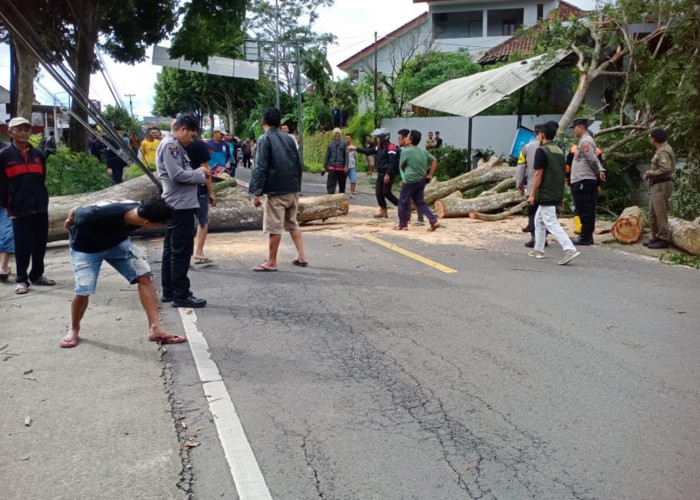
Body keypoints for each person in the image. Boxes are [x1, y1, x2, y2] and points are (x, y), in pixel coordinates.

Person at [58, 198, 186, 348]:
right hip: (87, 249)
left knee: (144, 275)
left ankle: (155, 328)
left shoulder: (139, 207)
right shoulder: (94, 215)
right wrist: (69, 221)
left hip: (116, 244)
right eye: (157, 225)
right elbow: (76, 209)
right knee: (84, 288)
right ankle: (74, 329)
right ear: (147, 223)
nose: (158, 227)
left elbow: (116, 200)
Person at [156, 114, 211, 308]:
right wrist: (200, 173)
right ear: (182, 129)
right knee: (180, 251)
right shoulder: (171, 146)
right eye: (192, 135)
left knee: (171, 249)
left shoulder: (175, 146)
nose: (192, 140)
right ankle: (181, 294)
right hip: (180, 205)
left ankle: (170, 290)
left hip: (178, 203)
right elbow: (177, 175)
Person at [0, 117, 56, 294]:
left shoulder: (38, 155)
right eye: (19, 129)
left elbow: (41, 179)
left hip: (40, 206)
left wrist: (41, 200)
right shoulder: (4, 156)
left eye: (27, 129)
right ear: (11, 132)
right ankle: (21, 279)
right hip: (18, 208)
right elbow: (1, 184)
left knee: (40, 244)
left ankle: (37, 275)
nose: (24, 132)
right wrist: (9, 205)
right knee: (22, 245)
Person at [248, 107, 307, 272]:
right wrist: (297, 185)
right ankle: (301, 256)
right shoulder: (289, 139)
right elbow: (298, 165)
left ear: (263, 122)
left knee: (275, 226)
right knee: (292, 223)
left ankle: (272, 262)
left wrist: (257, 193)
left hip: (277, 191)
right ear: (280, 123)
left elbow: (260, 167)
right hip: (293, 189)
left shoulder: (264, 139)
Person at [527, 121, 580, 265]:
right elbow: (561, 173)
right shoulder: (558, 150)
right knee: (539, 220)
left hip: (546, 192)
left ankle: (569, 249)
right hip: (555, 191)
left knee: (550, 222)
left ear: (542, 135)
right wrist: (561, 194)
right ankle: (539, 249)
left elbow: (538, 174)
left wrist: (532, 194)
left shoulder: (541, 150)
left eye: (538, 135)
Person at [569, 118, 605, 245]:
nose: (573, 130)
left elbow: (593, 159)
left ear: (581, 127)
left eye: (574, 127)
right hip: (581, 179)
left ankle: (586, 237)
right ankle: (586, 236)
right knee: (583, 207)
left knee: (585, 209)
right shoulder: (583, 141)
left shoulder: (586, 141)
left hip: (584, 180)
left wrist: (598, 171)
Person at [396, 130, 440, 231]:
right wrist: (430, 174)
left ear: (410, 140)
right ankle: (433, 221)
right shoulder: (423, 151)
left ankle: (403, 225)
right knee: (420, 202)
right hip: (421, 181)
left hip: (410, 181)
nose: (406, 138)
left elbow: (402, 167)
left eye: (407, 137)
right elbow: (434, 160)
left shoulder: (405, 151)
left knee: (402, 201)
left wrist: (406, 174)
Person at [352, 128, 400, 219]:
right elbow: (369, 151)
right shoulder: (380, 147)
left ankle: (401, 205)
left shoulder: (391, 147)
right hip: (381, 173)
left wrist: (388, 174)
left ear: (383, 138)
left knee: (386, 192)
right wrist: (356, 149)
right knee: (378, 192)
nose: (377, 139)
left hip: (388, 174)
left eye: (378, 137)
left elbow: (392, 162)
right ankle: (383, 211)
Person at [185, 137, 216, 265]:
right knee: (203, 220)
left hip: (183, 189)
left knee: (185, 222)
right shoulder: (199, 144)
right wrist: (211, 192)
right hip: (199, 188)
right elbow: (206, 171)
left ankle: (185, 254)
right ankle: (199, 251)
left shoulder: (175, 144)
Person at [643, 128, 675, 249]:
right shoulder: (661, 150)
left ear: (655, 139)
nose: (650, 139)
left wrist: (651, 173)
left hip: (662, 185)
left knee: (660, 213)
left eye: (651, 137)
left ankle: (663, 239)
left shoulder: (663, 152)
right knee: (653, 213)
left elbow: (666, 168)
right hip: (657, 185)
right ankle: (656, 237)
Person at [516, 124, 544, 247]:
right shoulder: (553, 147)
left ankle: (534, 238)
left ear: (535, 133)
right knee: (545, 214)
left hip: (532, 186)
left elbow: (521, 167)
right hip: (548, 188)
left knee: (533, 212)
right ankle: (544, 238)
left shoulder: (526, 147)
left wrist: (520, 184)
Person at [324, 128, 349, 194]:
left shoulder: (344, 144)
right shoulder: (330, 144)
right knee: (330, 185)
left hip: (341, 168)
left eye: (338, 135)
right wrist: (324, 166)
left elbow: (346, 156)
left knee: (342, 185)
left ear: (340, 135)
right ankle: (330, 197)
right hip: (332, 167)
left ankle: (341, 198)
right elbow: (327, 156)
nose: (337, 136)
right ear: (334, 136)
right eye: (336, 135)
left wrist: (346, 166)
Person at [345, 133, 357, 197]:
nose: (347, 140)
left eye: (348, 138)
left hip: (352, 166)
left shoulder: (354, 148)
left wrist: (355, 165)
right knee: (343, 180)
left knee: (353, 180)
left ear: (351, 139)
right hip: (345, 166)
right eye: (346, 138)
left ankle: (352, 193)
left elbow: (355, 157)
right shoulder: (343, 147)